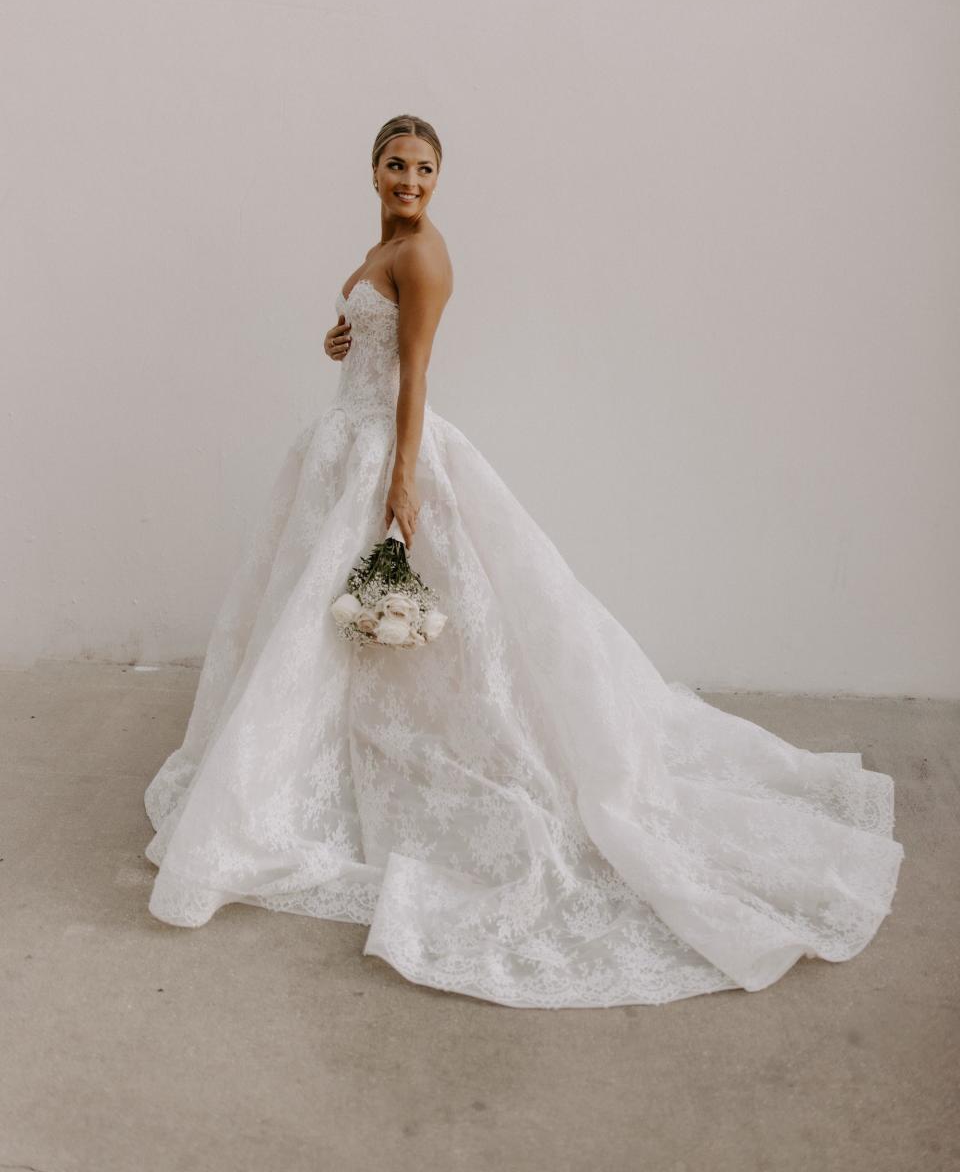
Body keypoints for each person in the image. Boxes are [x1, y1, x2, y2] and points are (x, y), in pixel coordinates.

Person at [144, 113, 904, 1008]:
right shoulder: (384, 242)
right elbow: (368, 339)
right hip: (343, 444)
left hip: (383, 451)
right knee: (324, 630)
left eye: (426, 169)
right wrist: (336, 341)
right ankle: (329, 757)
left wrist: (400, 482)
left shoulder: (424, 257)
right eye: (397, 165)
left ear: (440, 178)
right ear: (373, 169)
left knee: (393, 624)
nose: (411, 181)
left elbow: (417, 377)